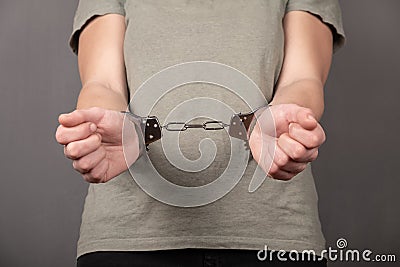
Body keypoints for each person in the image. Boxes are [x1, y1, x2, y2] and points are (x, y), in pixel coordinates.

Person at [55, 0, 345, 266]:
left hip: (275, 229)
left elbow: (303, 78)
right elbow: (103, 83)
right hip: (129, 233)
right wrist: (104, 126)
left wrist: (290, 122)